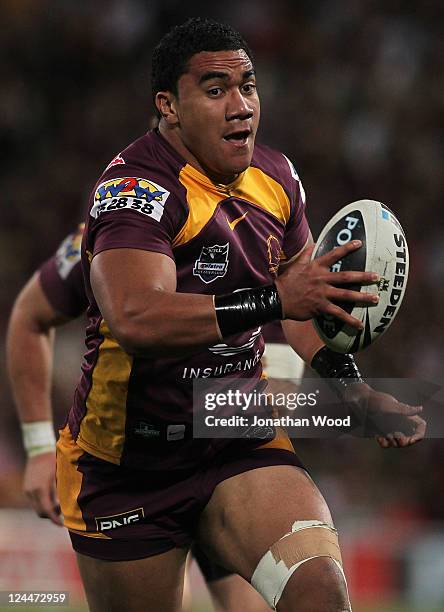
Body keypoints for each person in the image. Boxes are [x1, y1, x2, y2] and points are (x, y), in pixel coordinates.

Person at [38, 18, 423, 612]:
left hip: (233, 436)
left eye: (248, 85)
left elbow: (302, 305)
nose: (240, 105)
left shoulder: (276, 178)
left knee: (320, 593)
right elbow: (137, 317)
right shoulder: (136, 190)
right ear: (168, 105)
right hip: (129, 464)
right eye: (216, 90)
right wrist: (274, 299)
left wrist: (351, 391)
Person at [7, 224, 274, 611]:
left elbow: (292, 335)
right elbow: (29, 317)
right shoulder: (112, 237)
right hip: (135, 467)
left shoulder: (256, 229)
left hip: (226, 450)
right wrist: (37, 448)